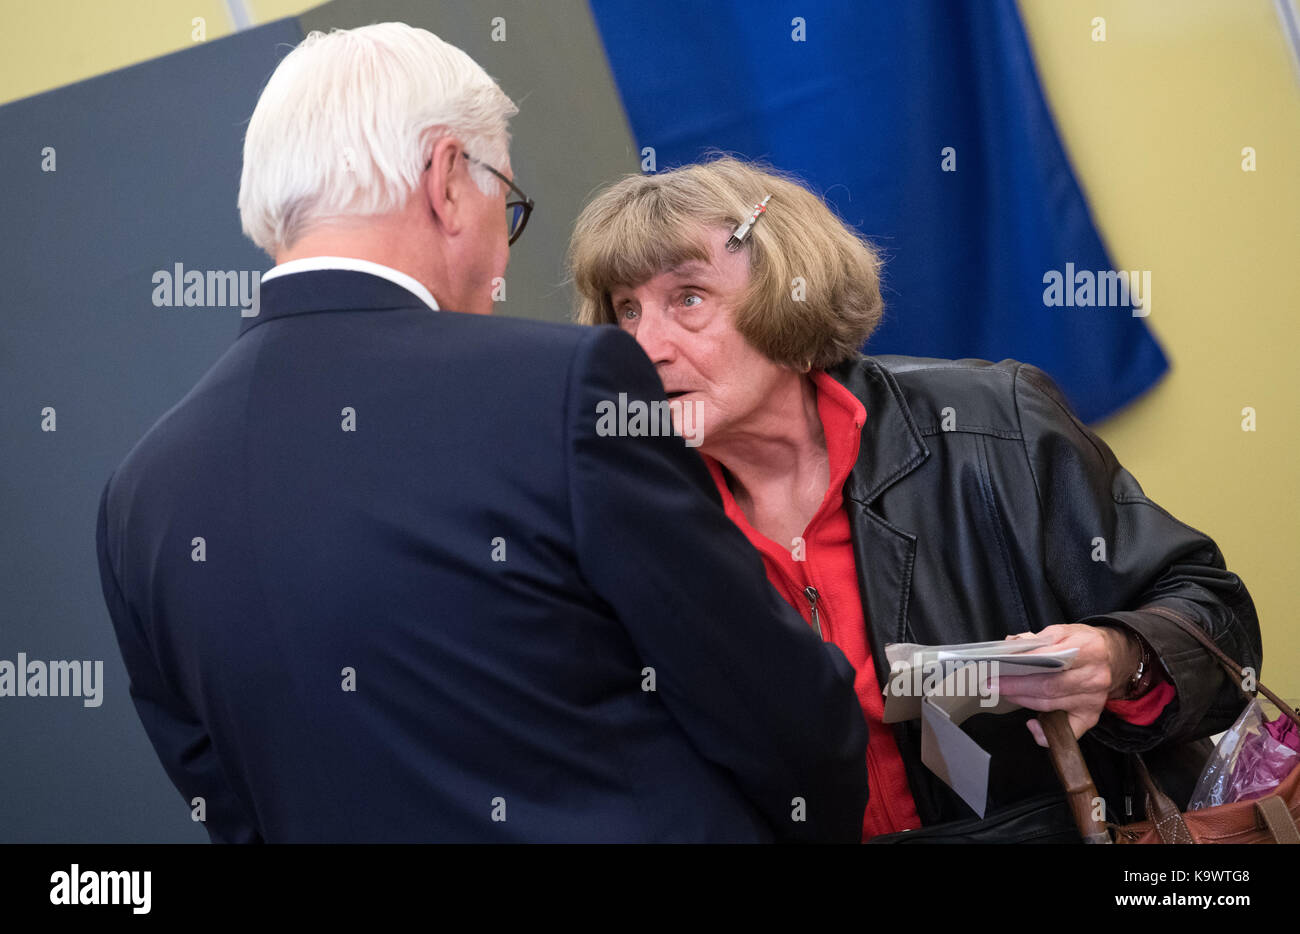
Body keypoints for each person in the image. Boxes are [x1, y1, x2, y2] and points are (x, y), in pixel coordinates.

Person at [94, 25, 868, 843]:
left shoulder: (139, 497)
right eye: (509, 200)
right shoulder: (566, 387)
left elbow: (230, 806)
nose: (503, 249)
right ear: (448, 180)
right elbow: (783, 718)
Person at [568, 156, 1263, 841]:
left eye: (687, 298)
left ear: (790, 291)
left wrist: (1117, 656)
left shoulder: (993, 424)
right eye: (626, 310)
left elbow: (1216, 616)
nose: (645, 344)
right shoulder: (630, 511)